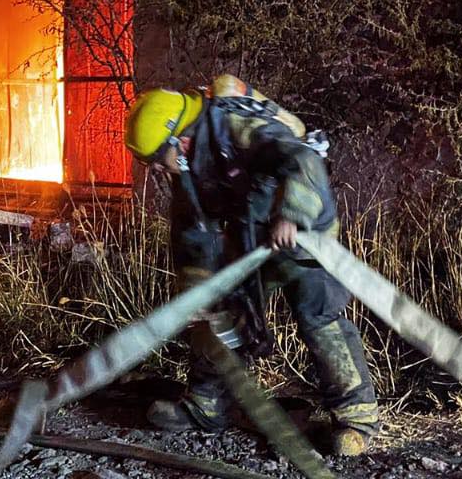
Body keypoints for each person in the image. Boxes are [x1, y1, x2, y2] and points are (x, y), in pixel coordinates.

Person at [123, 74, 379, 456]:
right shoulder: (189, 167)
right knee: (223, 310)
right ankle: (207, 406)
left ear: (181, 140)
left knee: (317, 313)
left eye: (158, 160)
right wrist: (199, 286)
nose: (158, 170)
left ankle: (356, 419)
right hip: (252, 230)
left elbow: (302, 158)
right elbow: (192, 229)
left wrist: (291, 215)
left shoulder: (235, 123)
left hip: (301, 221)